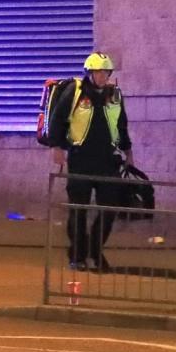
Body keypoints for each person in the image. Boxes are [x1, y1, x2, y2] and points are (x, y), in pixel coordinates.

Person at [49, 52, 133, 272]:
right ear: (90, 72)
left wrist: (128, 151)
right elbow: (57, 119)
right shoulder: (74, 92)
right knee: (79, 210)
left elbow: (121, 124)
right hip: (80, 159)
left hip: (107, 160)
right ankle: (77, 255)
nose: (104, 76)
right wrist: (57, 147)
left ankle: (95, 251)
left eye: (107, 72)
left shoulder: (115, 95)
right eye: (99, 72)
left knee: (108, 209)